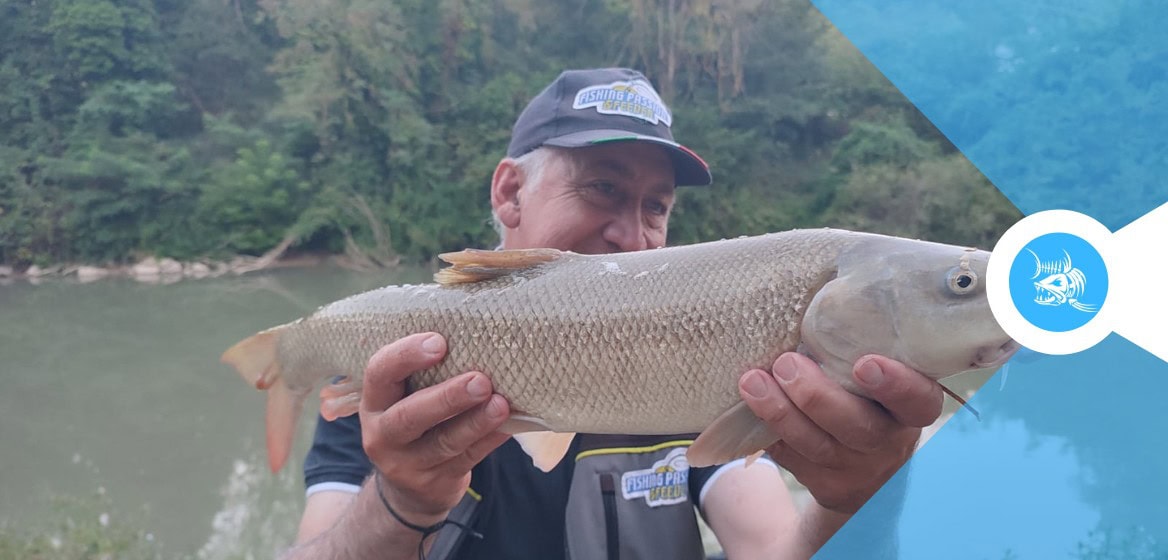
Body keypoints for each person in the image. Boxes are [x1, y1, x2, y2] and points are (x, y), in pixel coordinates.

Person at [282, 68, 943, 560]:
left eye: (655, 207)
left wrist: (861, 499)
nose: (633, 235)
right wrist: (405, 501)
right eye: (603, 188)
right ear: (510, 192)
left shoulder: (710, 362)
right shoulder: (397, 369)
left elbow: (777, 550)